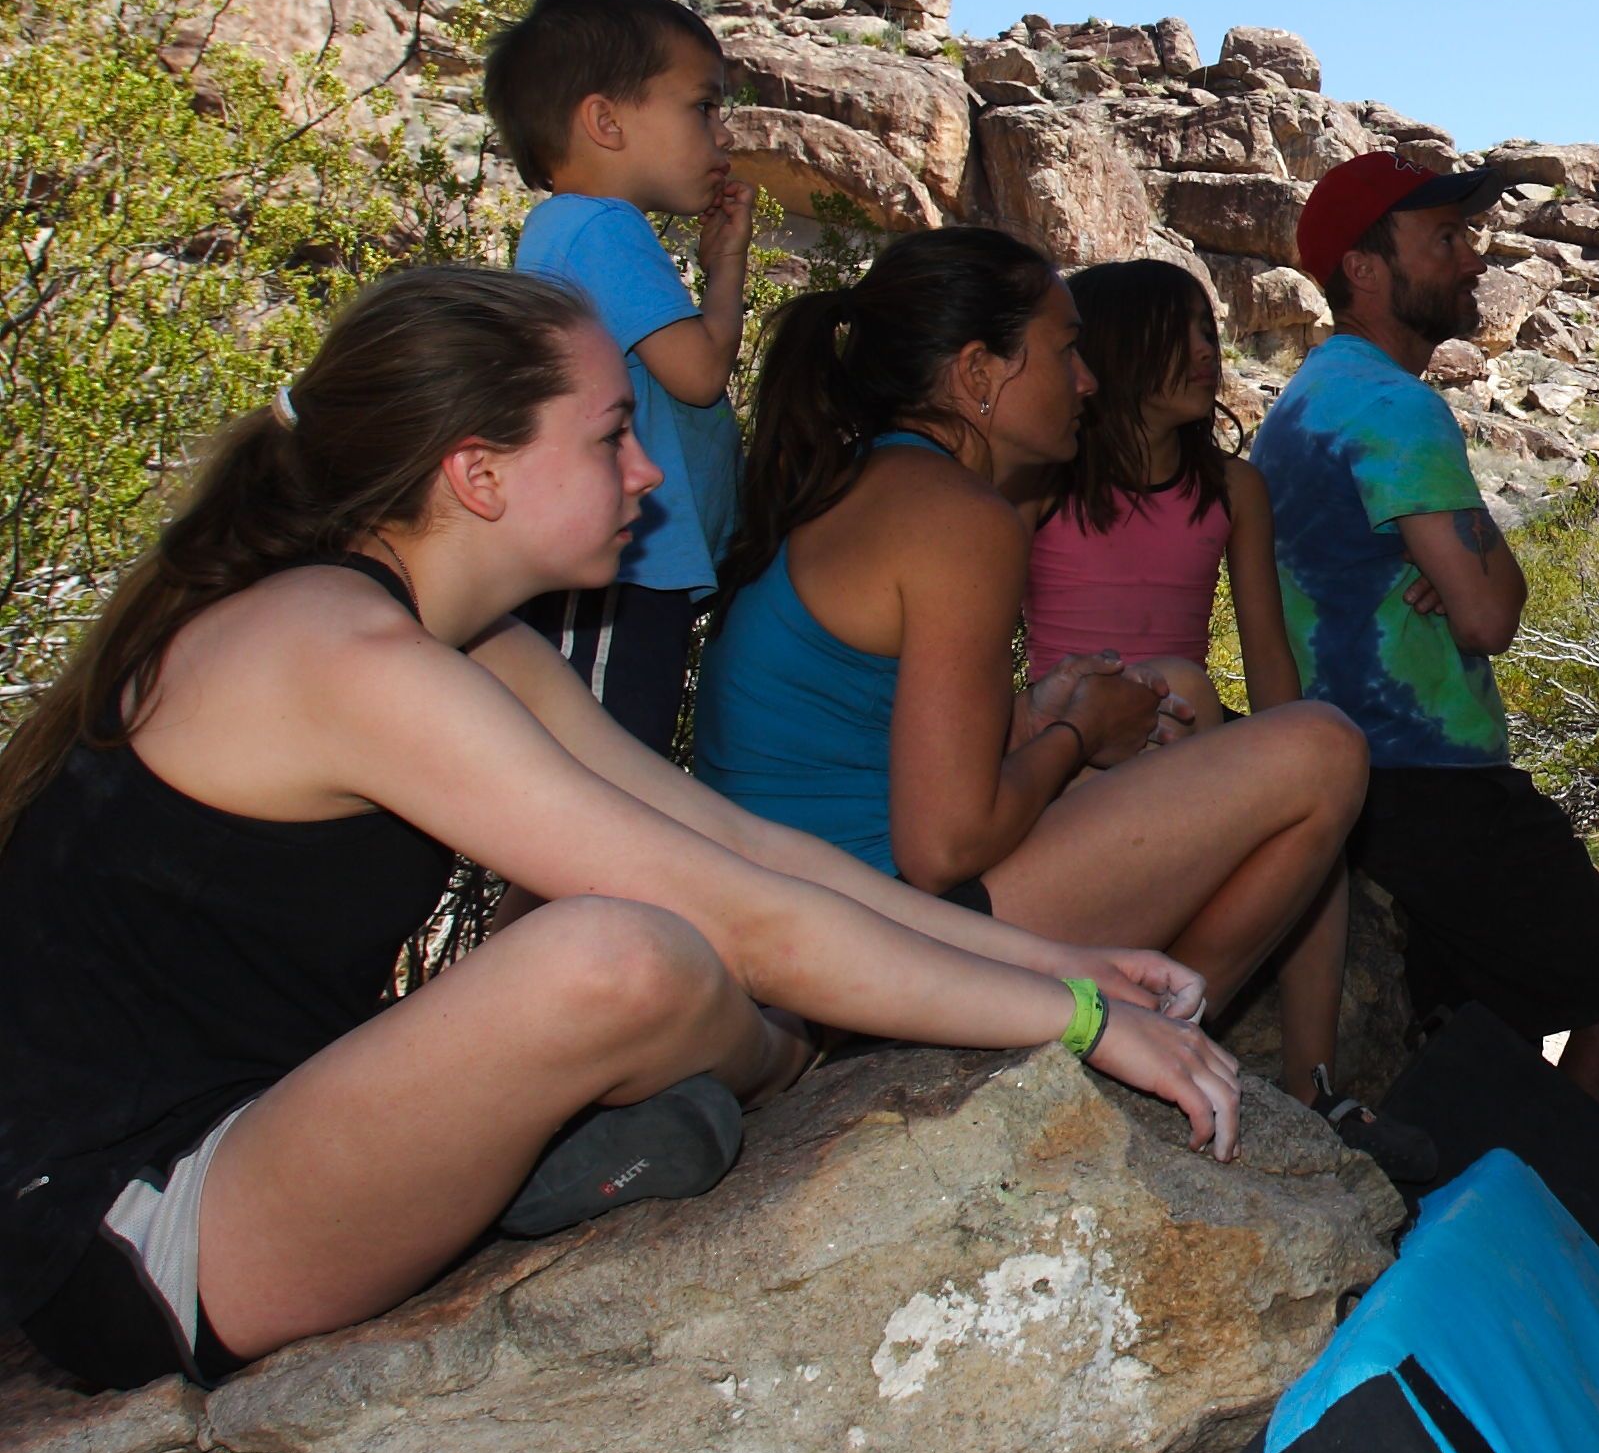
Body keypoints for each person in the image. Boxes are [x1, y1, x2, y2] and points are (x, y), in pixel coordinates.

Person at [0, 269, 1243, 1394]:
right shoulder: (339, 651)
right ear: (477, 472)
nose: (649, 469)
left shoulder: (471, 645)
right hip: (133, 1232)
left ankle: (658, 1094)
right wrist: (1080, 1026)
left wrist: (1056, 963)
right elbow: (741, 915)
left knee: (650, 940)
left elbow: (741, 845)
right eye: (609, 433)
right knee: (619, 956)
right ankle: (755, 1061)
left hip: (273, 1124)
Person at [693, 226, 1370, 1100]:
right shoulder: (956, 518)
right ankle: (1154, 1053)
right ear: (978, 375)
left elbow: (865, 736)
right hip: (871, 942)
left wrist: (1041, 712)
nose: (1087, 380)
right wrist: (1077, 731)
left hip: (809, 924)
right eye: (1064, 350)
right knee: (1321, 750)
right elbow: (944, 848)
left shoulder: (871, 481)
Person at [1253, 153, 1599, 1125]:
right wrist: (1488, 565)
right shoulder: (1395, 406)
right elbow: (1489, 613)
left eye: (1469, 232)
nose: (1472, 256)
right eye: (1443, 236)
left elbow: (1476, 588)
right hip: (1435, 783)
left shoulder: (1311, 396)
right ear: (1361, 267)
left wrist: (1478, 564)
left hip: (1356, 780)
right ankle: (1558, 1242)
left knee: (1468, 1061)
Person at [1023, 258, 1427, 1178]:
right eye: (1188, 334)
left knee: (1311, 817)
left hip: (1183, 735)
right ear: (1126, 350)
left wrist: (1304, 775)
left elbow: (1268, 654)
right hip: (1073, 746)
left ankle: (1318, 1085)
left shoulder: (1230, 489)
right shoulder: (1047, 482)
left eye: (1212, 332)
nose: (1211, 353)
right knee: (1179, 686)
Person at [480, 0, 752, 754]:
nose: (722, 136)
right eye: (703, 107)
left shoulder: (583, 228)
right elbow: (697, 374)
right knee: (602, 783)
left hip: (636, 570)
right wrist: (726, 270)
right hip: (618, 570)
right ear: (603, 120)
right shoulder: (600, 227)